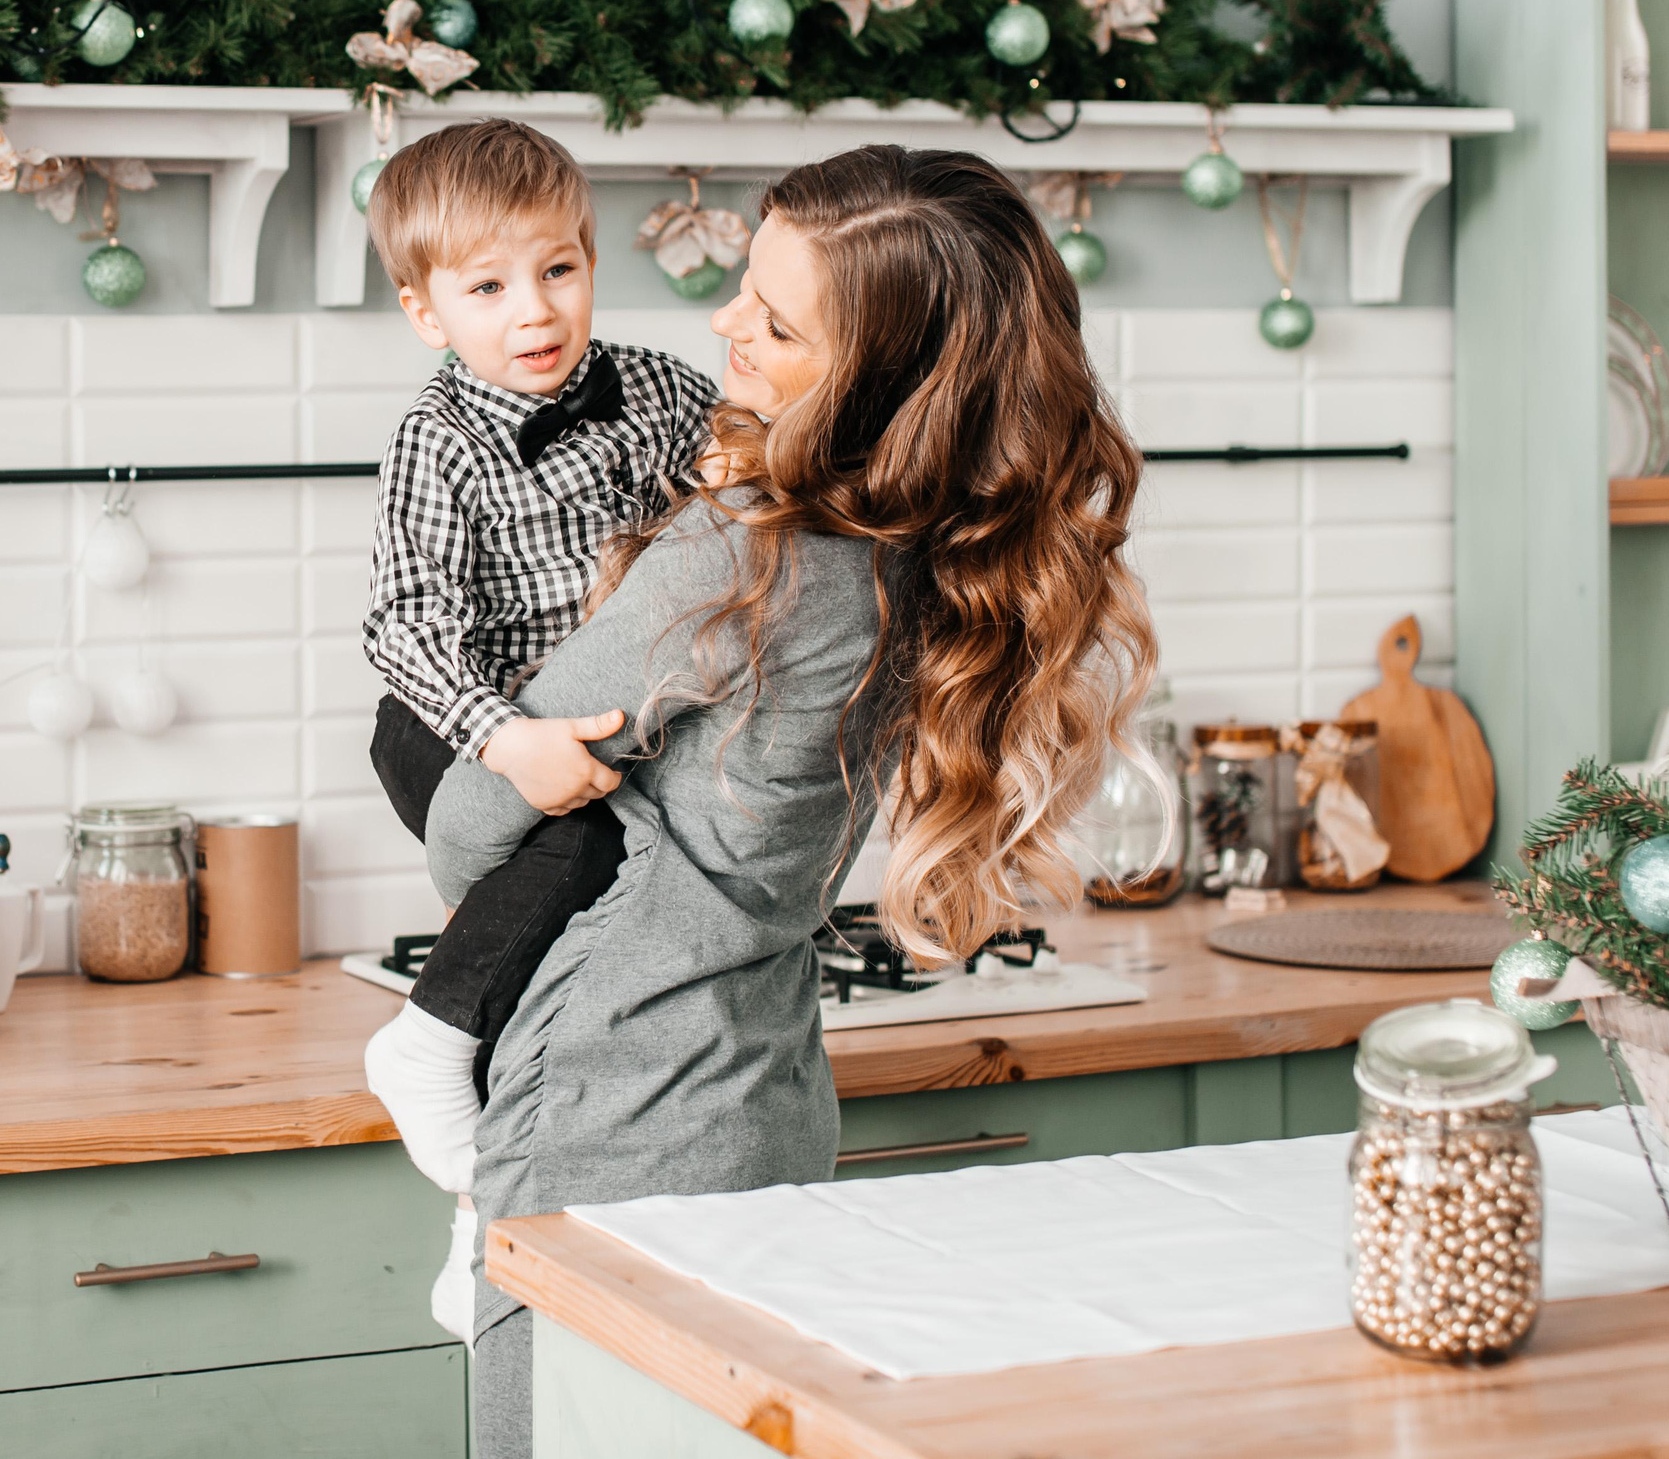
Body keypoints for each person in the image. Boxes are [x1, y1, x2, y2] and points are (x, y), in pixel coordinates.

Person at [418, 145, 1159, 1458]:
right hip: (761, 1107)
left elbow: (469, 837)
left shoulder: (747, 557)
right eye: (740, 291)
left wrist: (486, 753)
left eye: (774, 320)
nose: (724, 327)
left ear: (882, 375)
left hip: (610, 1120)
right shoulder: (932, 543)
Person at [355, 119, 719, 1330]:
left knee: (569, 961)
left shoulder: (662, 391)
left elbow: (743, 503)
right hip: (446, 723)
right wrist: (504, 737)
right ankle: (423, 1042)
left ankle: (483, 1221)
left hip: (596, 732)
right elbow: (401, 626)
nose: (535, 311)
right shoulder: (438, 439)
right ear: (426, 313)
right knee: (580, 851)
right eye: (489, 286)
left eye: (558, 269)